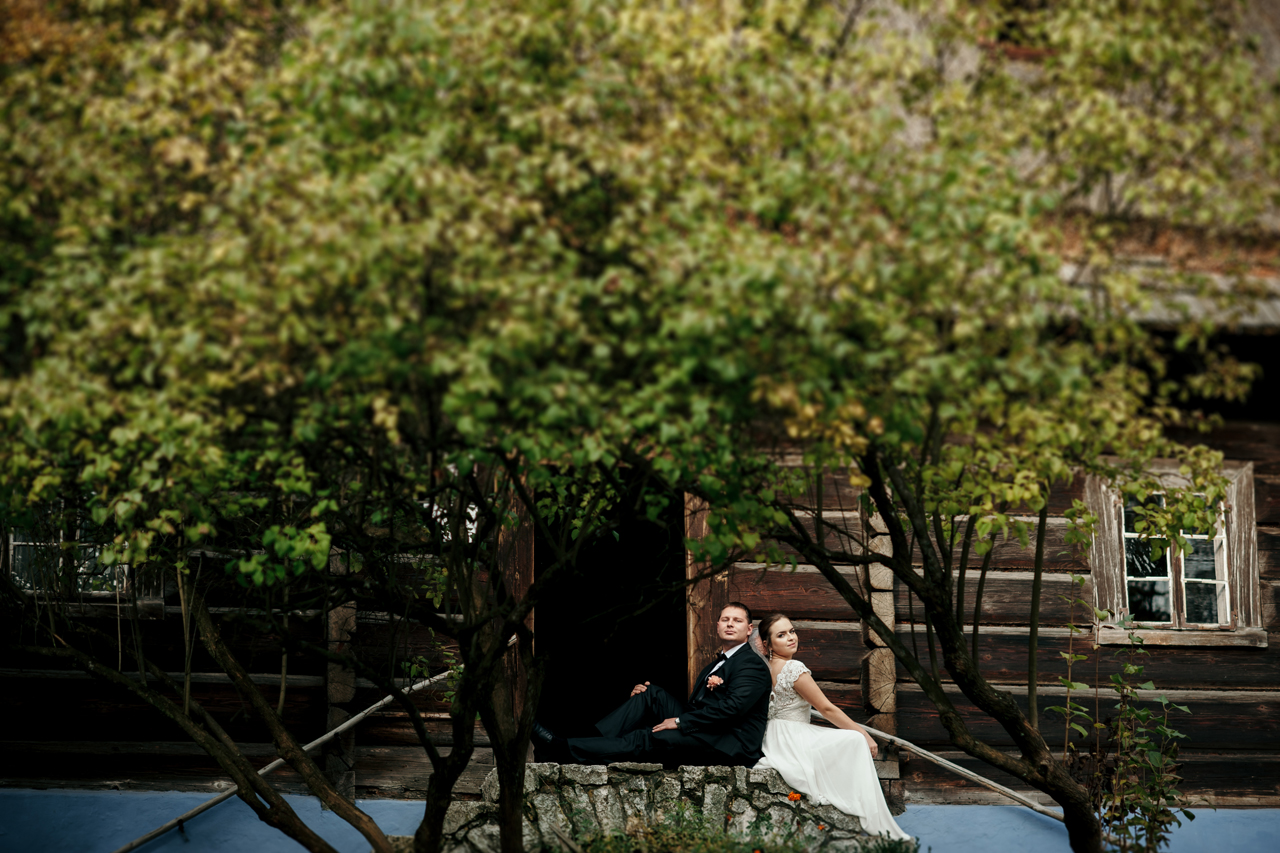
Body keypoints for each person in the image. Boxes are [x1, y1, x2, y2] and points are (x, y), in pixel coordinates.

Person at [532, 602, 771, 767]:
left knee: (648, 737)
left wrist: (678, 722)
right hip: (708, 731)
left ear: (749, 629)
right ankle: (587, 744)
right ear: (717, 625)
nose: (730, 624)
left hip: (729, 745)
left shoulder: (750, 664)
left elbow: (732, 709)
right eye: (725, 619)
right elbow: (698, 708)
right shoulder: (714, 665)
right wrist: (681, 720)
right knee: (650, 693)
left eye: (737, 621)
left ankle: (562, 747)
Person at [754, 611, 911, 842]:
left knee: (845, 741)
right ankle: (867, 811)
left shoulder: (764, 668)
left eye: (792, 631)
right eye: (781, 635)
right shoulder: (793, 669)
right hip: (793, 736)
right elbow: (827, 710)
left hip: (773, 738)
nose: (791, 637)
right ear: (767, 644)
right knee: (854, 741)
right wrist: (864, 733)